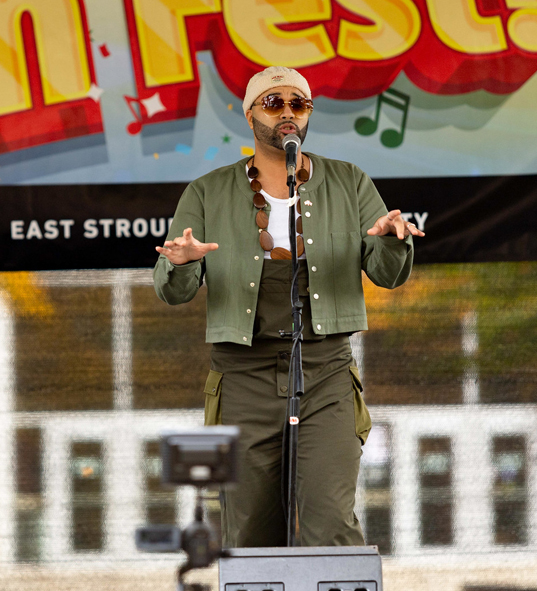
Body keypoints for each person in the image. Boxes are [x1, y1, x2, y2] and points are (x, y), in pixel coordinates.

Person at [153, 66, 424, 548]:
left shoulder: (349, 181)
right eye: (273, 102)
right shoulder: (207, 191)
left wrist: (392, 241)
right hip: (243, 375)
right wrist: (182, 263)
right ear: (249, 115)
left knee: (331, 522)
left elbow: (388, 275)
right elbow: (172, 291)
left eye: (298, 104)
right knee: (250, 533)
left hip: (326, 372)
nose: (287, 113)